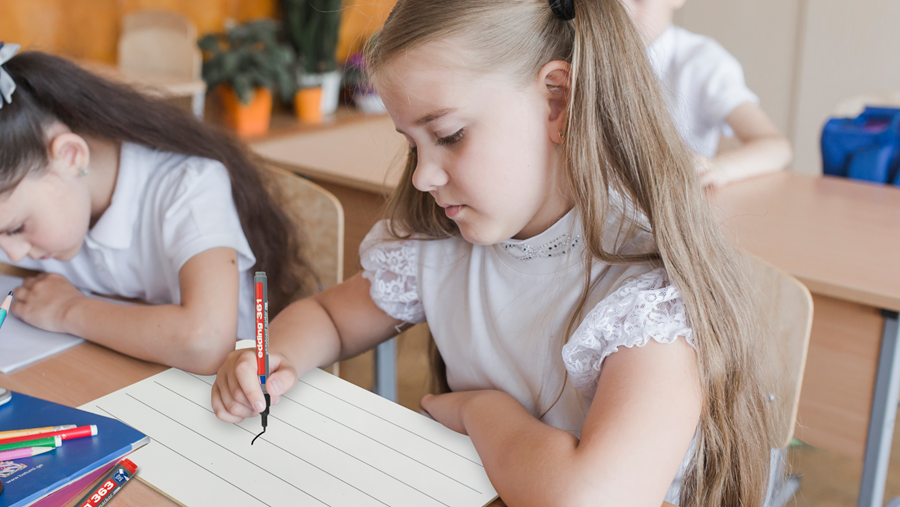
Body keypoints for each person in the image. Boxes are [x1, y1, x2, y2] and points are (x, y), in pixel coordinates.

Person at [211, 1, 773, 505]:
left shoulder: (648, 299)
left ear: (558, 101)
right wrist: (274, 356)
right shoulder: (441, 244)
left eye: (450, 135)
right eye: (412, 144)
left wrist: (480, 412)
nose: (424, 174)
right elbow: (332, 317)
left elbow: (592, 499)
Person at [0, 44, 311, 374]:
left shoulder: (187, 185)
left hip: (221, 397)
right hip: (109, 376)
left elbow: (205, 341)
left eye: (16, 228)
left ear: (71, 156)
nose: (15, 254)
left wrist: (68, 309)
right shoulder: (34, 200)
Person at [622, 0, 793, 187]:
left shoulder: (703, 63)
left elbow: (777, 148)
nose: (622, 10)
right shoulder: (588, 56)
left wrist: (717, 169)